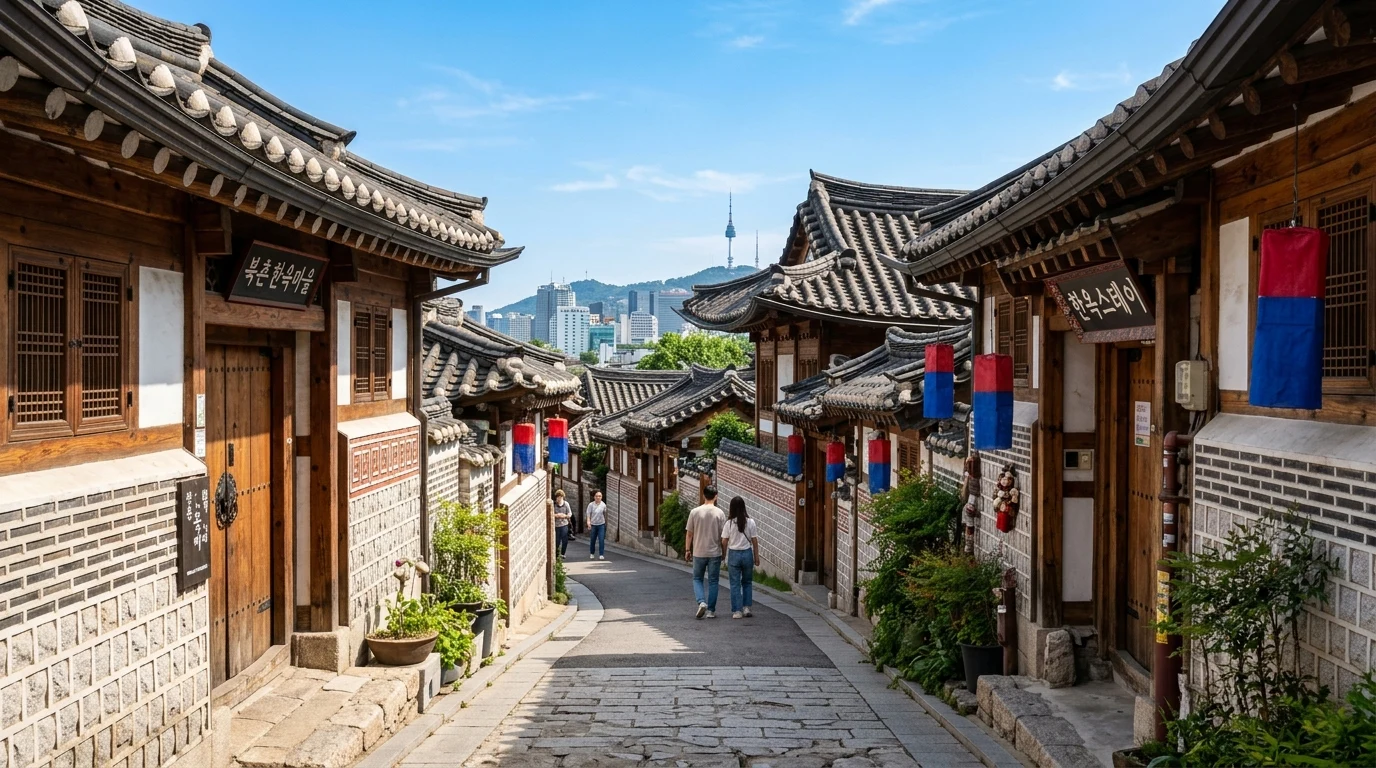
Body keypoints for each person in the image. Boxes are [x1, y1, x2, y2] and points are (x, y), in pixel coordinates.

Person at [684, 485, 726, 619]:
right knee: (713, 581)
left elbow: (689, 534)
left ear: (703, 495)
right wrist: (724, 552)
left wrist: (687, 550)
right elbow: (723, 536)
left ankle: (701, 602)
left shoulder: (694, 512)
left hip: (698, 552)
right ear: (716, 496)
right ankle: (711, 611)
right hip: (715, 552)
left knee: (697, 579)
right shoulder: (720, 513)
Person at [720, 496, 759, 619]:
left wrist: (723, 554)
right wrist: (756, 557)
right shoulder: (750, 522)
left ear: (731, 508)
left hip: (734, 554)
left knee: (735, 583)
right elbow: (754, 541)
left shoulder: (729, 523)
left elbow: (724, 541)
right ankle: (747, 607)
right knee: (747, 582)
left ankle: (737, 610)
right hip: (747, 554)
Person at [586, 489, 608, 560]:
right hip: (593, 524)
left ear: (601, 497)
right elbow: (588, 514)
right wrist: (588, 522)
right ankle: (592, 553)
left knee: (601, 539)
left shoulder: (603, 505)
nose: (598, 497)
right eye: (596, 496)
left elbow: (605, 514)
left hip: (601, 524)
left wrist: (605, 523)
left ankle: (601, 554)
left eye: (600, 496)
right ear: (594, 497)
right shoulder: (591, 505)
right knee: (593, 539)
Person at [552, 490, 572, 558]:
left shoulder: (566, 504)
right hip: (556, 525)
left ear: (563, 497)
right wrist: (556, 515)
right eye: (558, 497)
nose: (559, 498)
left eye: (560, 497)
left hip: (564, 524)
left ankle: (563, 553)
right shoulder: (554, 504)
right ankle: (557, 554)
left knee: (565, 540)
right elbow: (551, 513)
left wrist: (565, 516)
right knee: (557, 540)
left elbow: (569, 513)